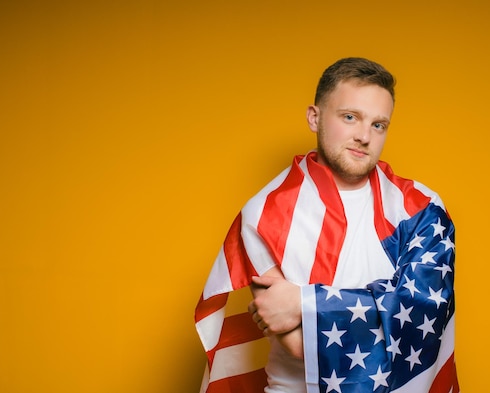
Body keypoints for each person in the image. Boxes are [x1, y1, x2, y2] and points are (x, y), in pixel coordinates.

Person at [195, 57, 459, 393]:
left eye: (379, 125)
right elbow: (298, 345)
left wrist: (303, 303)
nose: (364, 136)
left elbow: (423, 315)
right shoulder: (265, 213)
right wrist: (382, 307)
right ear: (314, 117)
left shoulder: (421, 208)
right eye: (350, 117)